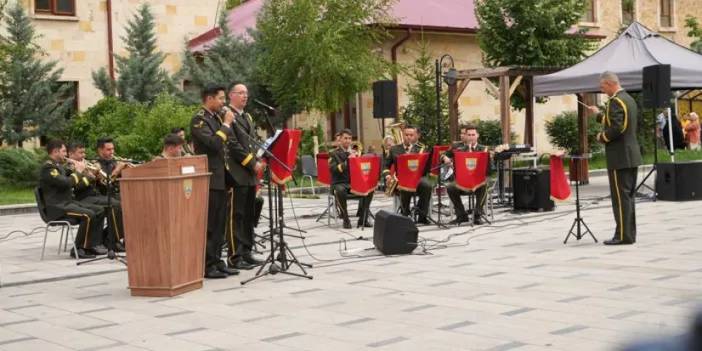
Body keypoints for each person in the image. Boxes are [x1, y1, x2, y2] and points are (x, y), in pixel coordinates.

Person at [587, 71, 642, 245]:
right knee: (628, 197)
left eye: (603, 87)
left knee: (620, 198)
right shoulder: (628, 99)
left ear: (610, 84)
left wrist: (601, 137)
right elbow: (617, 121)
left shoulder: (615, 101)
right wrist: (598, 114)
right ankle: (629, 234)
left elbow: (617, 127)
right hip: (630, 155)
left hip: (620, 157)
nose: (602, 90)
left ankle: (623, 236)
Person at [191, 84, 239, 279]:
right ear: (209, 99)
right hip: (209, 178)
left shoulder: (215, 118)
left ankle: (218, 261)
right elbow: (214, 144)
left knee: (220, 223)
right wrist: (226, 125)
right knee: (210, 224)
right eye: (220, 98)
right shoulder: (199, 120)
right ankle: (207, 265)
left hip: (221, 178)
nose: (223, 103)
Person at [39, 140, 107, 258]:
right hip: (57, 208)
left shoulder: (58, 166)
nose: (66, 154)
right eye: (64, 151)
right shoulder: (48, 168)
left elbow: (69, 178)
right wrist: (79, 172)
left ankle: (92, 245)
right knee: (88, 215)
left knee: (100, 210)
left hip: (67, 203)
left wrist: (79, 170)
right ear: (55, 151)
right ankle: (79, 249)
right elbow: (66, 183)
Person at [224, 82, 265, 270]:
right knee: (236, 215)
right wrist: (252, 162)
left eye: (246, 93)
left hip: (249, 175)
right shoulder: (227, 115)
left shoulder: (247, 116)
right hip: (236, 173)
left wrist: (258, 156)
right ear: (231, 95)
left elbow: (253, 141)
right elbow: (233, 145)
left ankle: (247, 251)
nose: (245, 96)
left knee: (249, 215)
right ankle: (235, 256)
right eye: (240, 93)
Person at [67, 142, 125, 252]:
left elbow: (106, 182)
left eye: (84, 152)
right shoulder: (69, 167)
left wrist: (98, 176)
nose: (83, 155)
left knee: (120, 205)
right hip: (82, 198)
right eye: (80, 153)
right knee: (115, 205)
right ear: (71, 154)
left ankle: (108, 239)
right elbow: (75, 187)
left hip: (94, 195)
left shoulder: (84, 164)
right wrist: (90, 177)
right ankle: (111, 241)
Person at [441, 124, 490, 225]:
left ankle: (477, 215)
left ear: (477, 135)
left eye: (473, 134)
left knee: (484, 184)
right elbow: (442, 155)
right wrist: (444, 158)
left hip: (478, 181)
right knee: (450, 187)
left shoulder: (484, 150)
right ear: (466, 136)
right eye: (469, 135)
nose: (471, 137)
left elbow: (490, 169)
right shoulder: (459, 150)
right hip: (462, 182)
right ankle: (462, 215)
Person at [383, 125, 431, 224]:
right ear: (402, 135)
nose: (408, 137)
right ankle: (405, 213)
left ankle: (422, 215)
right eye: (406, 135)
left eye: (411, 135)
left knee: (427, 185)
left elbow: (427, 168)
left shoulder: (422, 149)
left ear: (416, 136)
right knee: (404, 185)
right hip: (401, 179)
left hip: (417, 179)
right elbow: (385, 165)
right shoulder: (394, 149)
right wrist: (388, 175)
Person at [329, 129, 374, 229]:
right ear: (340, 140)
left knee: (370, 189)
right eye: (345, 138)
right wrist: (347, 161)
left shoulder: (355, 152)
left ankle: (363, 219)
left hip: (353, 182)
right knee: (340, 190)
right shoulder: (333, 153)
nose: (348, 141)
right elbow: (333, 170)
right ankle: (345, 218)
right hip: (339, 182)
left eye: (350, 138)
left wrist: (358, 159)